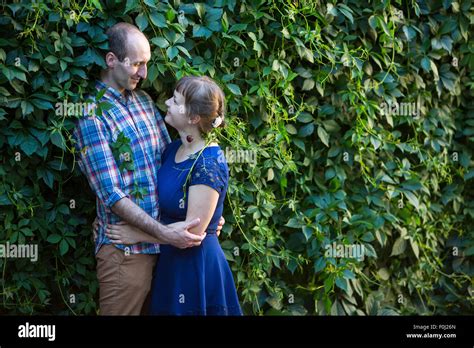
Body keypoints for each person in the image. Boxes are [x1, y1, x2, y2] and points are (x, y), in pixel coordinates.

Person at [72, 23, 224, 315]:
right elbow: (111, 194)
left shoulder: (144, 102)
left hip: (168, 251)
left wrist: (208, 213)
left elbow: (176, 166)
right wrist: (165, 234)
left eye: (146, 64)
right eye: (137, 64)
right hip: (128, 252)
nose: (144, 73)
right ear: (111, 60)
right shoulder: (91, 114)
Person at [105, 76, 242, 315]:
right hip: (170, 262)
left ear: (193, 118)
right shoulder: (173, 149)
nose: (167, 102)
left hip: (194, 268)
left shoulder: (208, 164)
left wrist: (138, 234)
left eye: (175, 100)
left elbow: (192, 234)